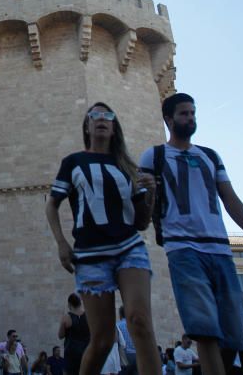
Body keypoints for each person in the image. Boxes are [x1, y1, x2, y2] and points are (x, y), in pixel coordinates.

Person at [141, 93, 243, 375]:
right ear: (168, 119)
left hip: (220, 249)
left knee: (232, 334)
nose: (190, 118)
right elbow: (142, 205)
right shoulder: (154, 156)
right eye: (183, 114)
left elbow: (231, 199)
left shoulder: (210, 156)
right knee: (204, 329)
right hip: (183, 248)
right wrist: (148, 192)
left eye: (192, 113)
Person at [46, 103, 161, 375]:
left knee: (140, 322)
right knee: (102, 340)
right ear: (86, 126)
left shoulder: (126, 168)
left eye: (107, 115)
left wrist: (152, 194)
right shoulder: (73, 163)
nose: (101, 119)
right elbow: (52, 204)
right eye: (94, 115)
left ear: (114, 126)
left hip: (129, 247)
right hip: (90, 254)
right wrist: (61, 243)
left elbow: (141, 222)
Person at [57, 295, 89, 375]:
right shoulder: (88, 315)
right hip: (86, 351)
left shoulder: (66, 318)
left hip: (71, 353)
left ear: (69, 304)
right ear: (80, 303)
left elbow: (60, 335)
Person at [115, 306, 136, 375]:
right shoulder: (136, 325)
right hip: (136, 355)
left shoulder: (117, 325)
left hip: (123, 356)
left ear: (120, 314)